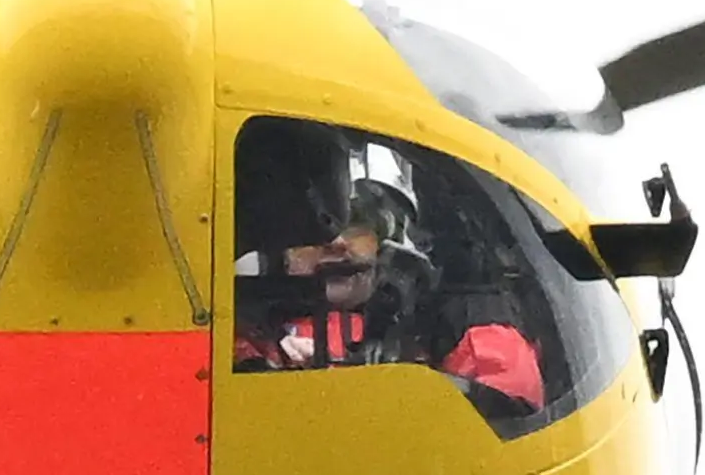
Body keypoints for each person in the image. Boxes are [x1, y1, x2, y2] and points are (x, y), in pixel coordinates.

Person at [233, 131, 547, 414]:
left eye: (359, 226)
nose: (337, 243)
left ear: (387, 243)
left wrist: (397, 382)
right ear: (277, 251)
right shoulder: (236, 324)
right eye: (309, 238)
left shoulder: (451, 322)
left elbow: (512, 409)